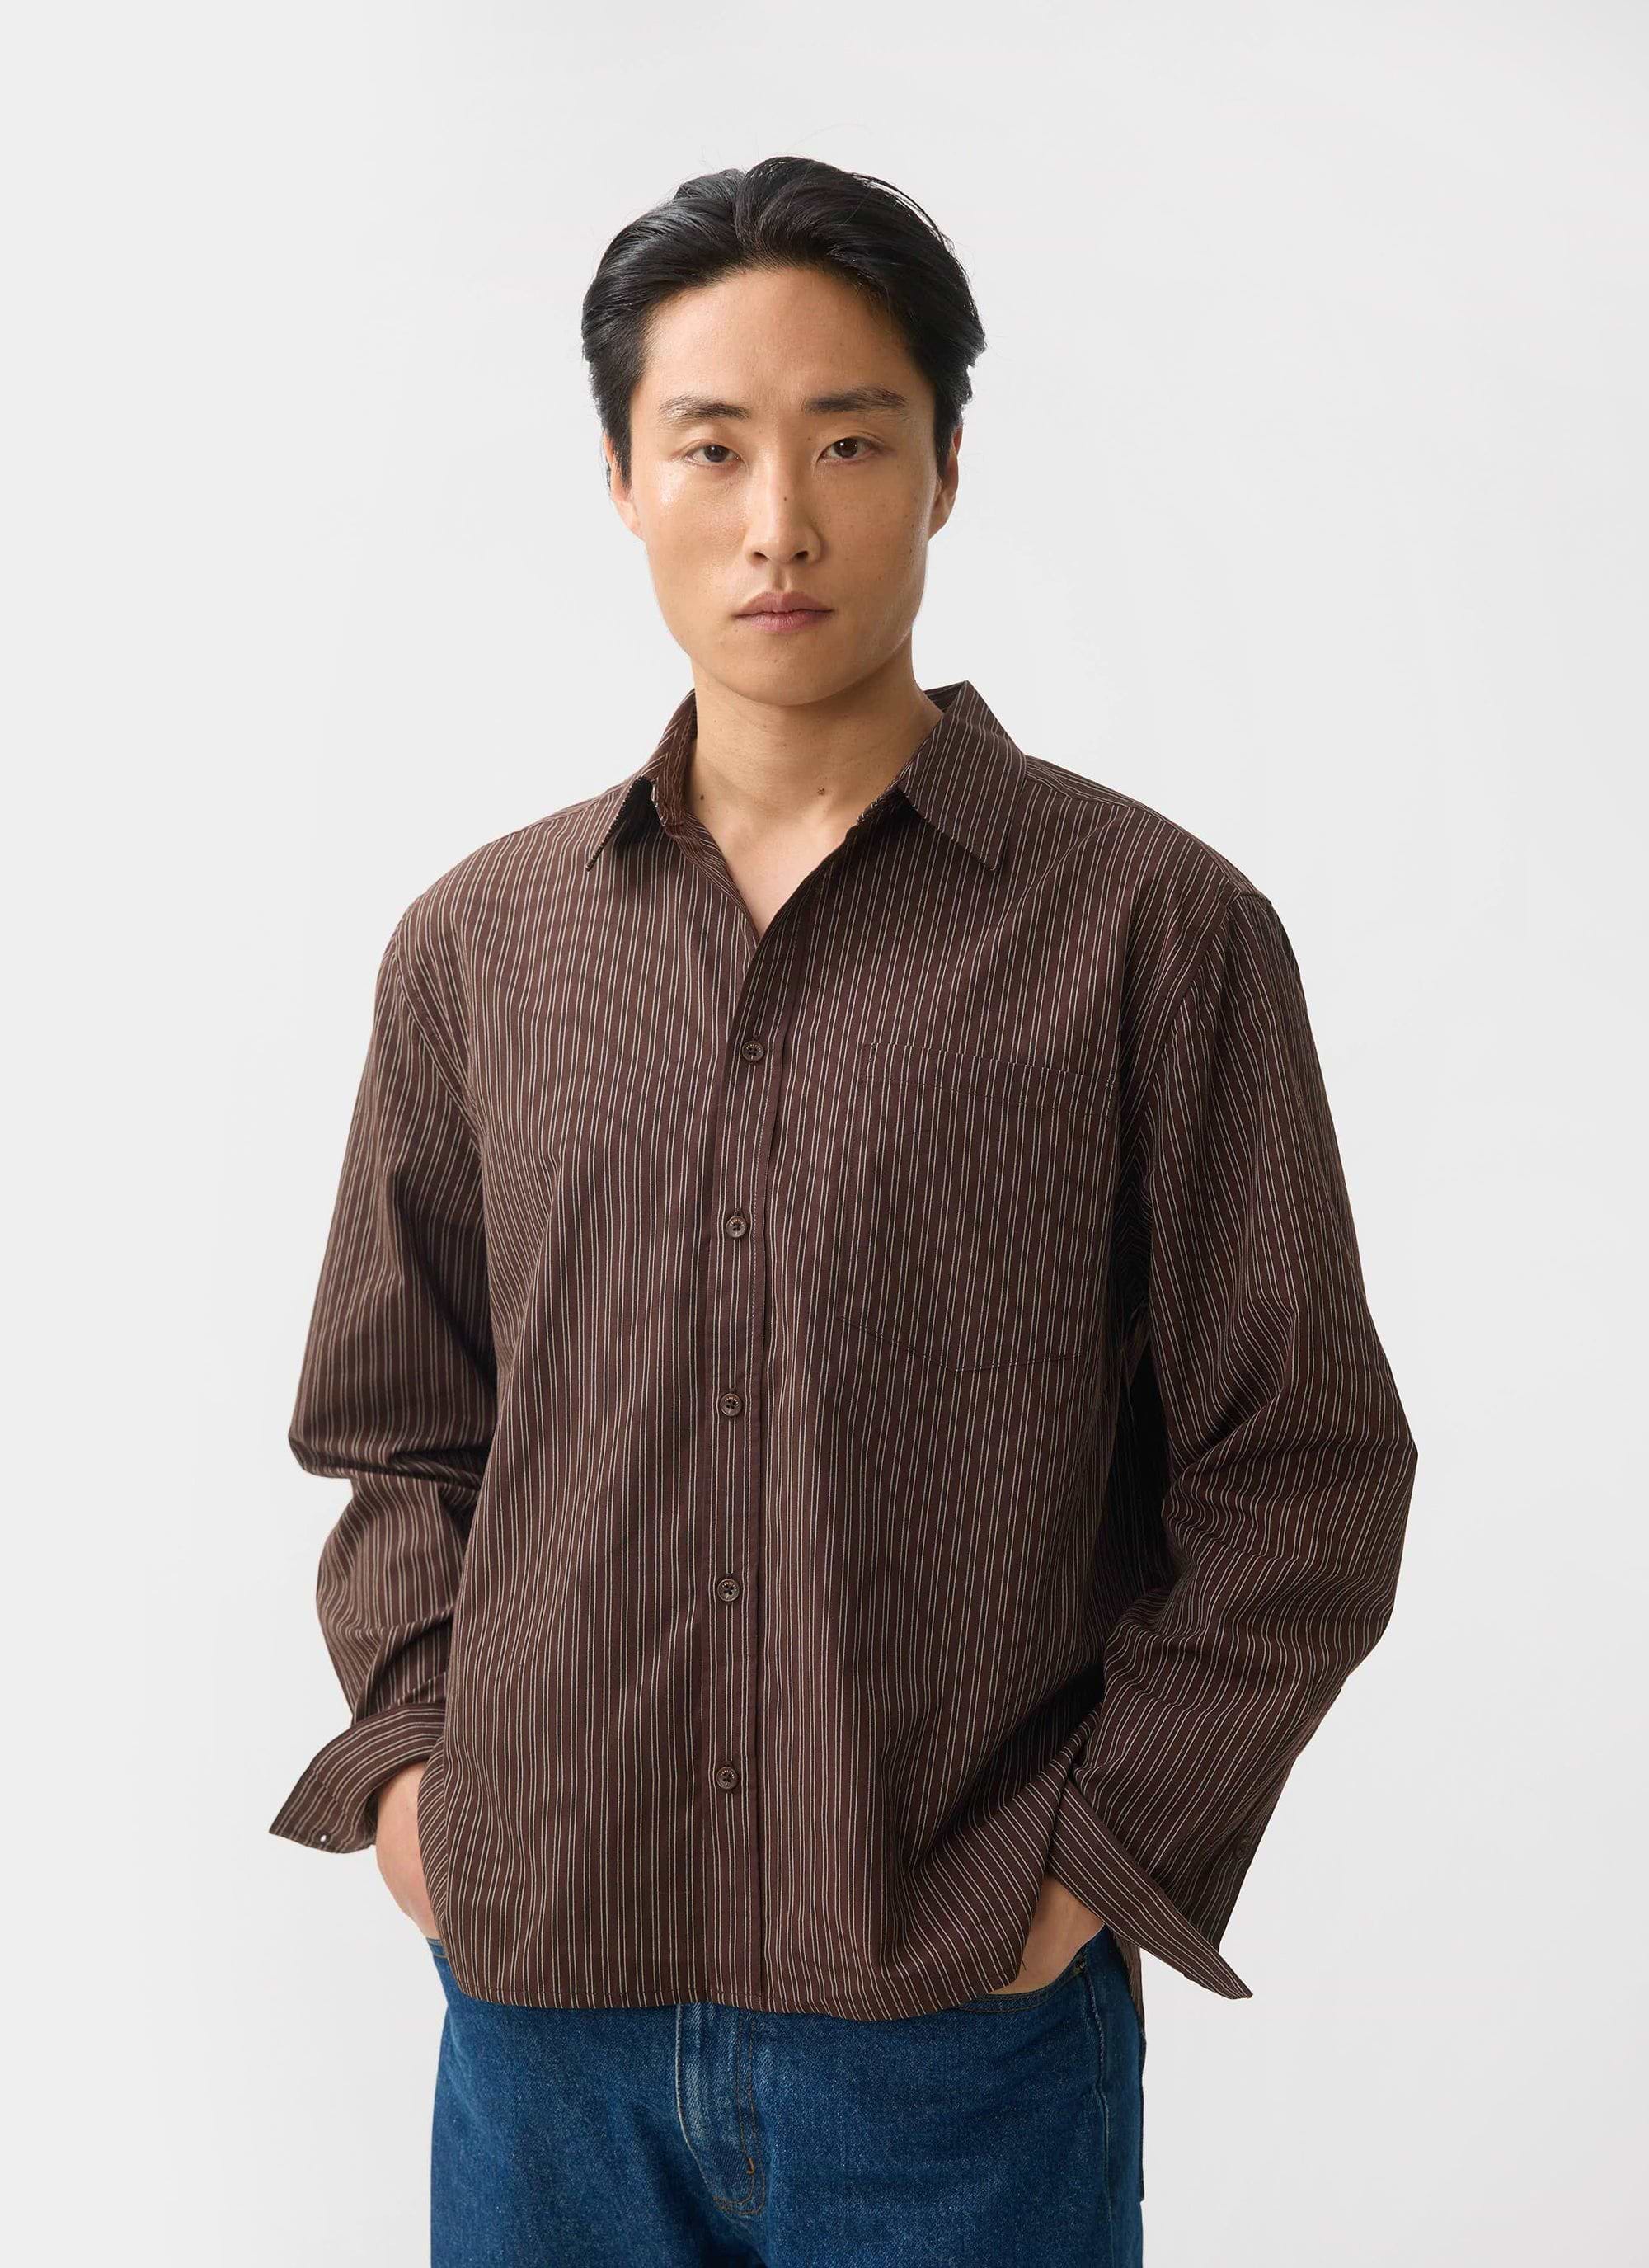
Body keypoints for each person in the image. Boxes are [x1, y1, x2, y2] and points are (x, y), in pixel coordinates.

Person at [270, 154, 1418, 2266]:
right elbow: (398, 1429)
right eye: (710, 444)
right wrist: (426, 1782)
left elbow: (1304, 1465)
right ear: (622, 475)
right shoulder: (481, 949)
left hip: (954, 2035)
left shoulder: (1150, 936)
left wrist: (1088, 1863)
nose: (777, 519)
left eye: (848, 440)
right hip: (544, 2031)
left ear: (947, 469)